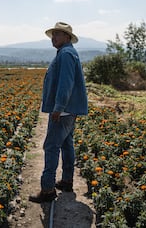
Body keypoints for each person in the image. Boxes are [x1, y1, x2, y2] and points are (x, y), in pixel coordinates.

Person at [29, 22, 88, 203]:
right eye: (53, 34)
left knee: (51, 146)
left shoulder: (66, 54)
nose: (53, 37)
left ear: (67, 37)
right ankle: (67, 181)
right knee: (66, 144)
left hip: (63, 112)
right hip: (68, 111)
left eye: (57, 34)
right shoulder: (66, 53)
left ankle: (47, 190)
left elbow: (66, 83)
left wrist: (58, 107)